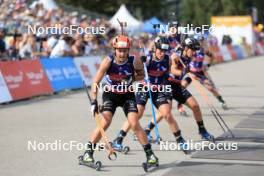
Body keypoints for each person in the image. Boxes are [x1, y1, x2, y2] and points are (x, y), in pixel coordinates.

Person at [81, 34, 158, 166]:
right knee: (105, 122)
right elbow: (95, 82)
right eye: (119, 50)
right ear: (114, 49)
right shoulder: (108, 61)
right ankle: (88, 153)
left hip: (127, 95)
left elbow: (142, 75)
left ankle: (150, 155)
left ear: (128, 50)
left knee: (134, 123)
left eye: (124, 50)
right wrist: (94, 101)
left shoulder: (135, 60)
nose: (122, 53)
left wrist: (132, 78)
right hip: (110, 94)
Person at [112, 36, 188, 152]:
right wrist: (140, 63)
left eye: (164, 51)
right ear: (155, 49)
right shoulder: (147, 59)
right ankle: (118, 139)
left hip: (158, 89)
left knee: (167, 114)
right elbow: (135, 68)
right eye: (160, 51)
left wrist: (180, 71)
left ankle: (180, 139)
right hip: (145, 87)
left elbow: (168, 72)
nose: (162, 53)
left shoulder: (167, 59)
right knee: (137, 113)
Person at [144, 37, 215, 141]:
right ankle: (146, 130)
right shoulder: (176, 55)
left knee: (195, 106)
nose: (194, 53)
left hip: (177, 86)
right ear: (186, 48)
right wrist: (182, 71)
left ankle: (202, 130)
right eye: (192, 50)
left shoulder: (188, 56)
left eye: (195, 51)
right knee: (166, 112)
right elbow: (172, 68)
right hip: (167, 85)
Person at [184, 36, 228, 109]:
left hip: (200, 73)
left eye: (202, 40)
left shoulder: (203, 50)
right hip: (191, 73)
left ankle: (221, 100)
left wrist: (208, 65)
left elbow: (212, 56)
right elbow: (184, 58)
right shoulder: (191, 49)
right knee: (182, 87)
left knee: (210, 88)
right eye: (200, 41)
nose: (202, 42)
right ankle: (180, 105)